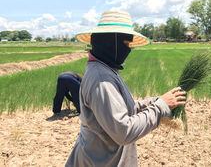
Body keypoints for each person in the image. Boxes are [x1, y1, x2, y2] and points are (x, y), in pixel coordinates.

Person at [65, 10, 186, 167]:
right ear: (110, 42)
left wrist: (156, 101)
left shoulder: (107, 69)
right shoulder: (101, 79)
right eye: (126, 44)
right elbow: (123, 131)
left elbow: (127, 108)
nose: (128, 49)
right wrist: (160, 107)